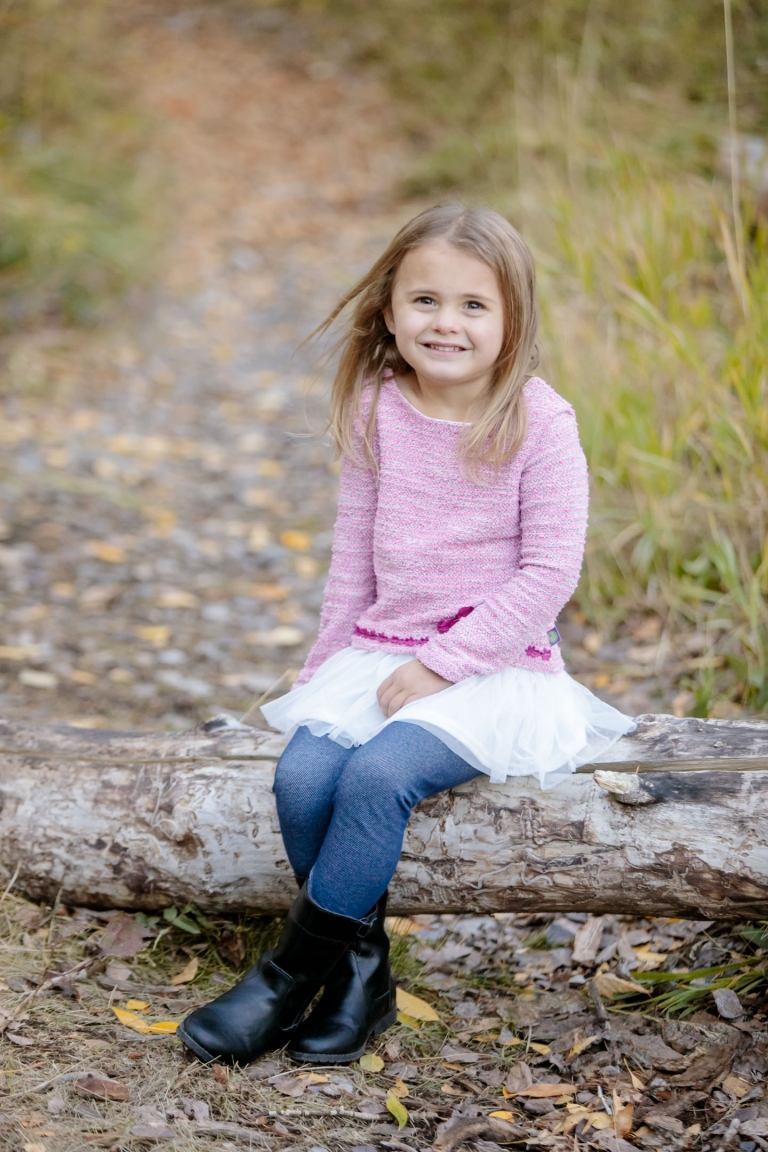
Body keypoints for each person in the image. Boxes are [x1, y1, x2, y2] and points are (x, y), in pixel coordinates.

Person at [178, 203, 635, 1068]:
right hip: (383, 650)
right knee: (305, 774)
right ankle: (362, 978)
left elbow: (548, 577)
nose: (446, 323)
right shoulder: (376, 406)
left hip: (495, 666)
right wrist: (323, 676)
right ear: (389, 309)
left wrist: (443, 664)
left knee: (378, 776)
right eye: (426, 300)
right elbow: (353, 562)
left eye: (473, 305)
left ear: (512, 321)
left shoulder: (541, 421)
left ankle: (282, 981)